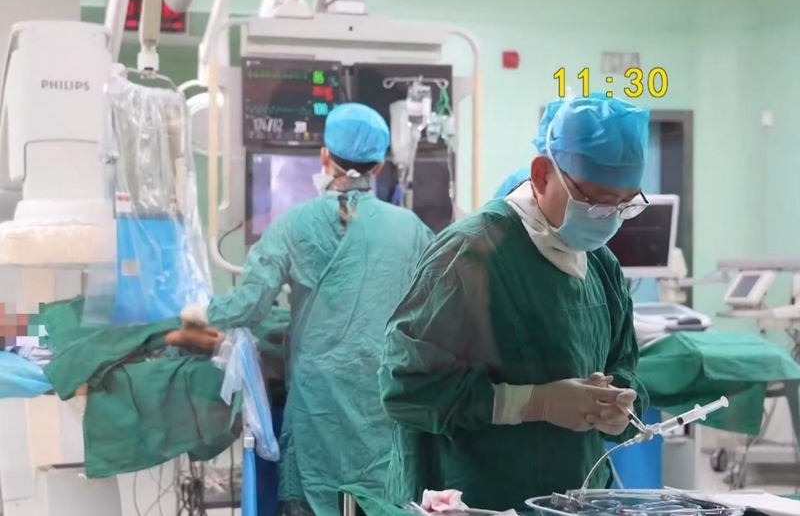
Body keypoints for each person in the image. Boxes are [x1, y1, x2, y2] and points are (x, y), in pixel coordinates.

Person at [378, 93, 651, 511]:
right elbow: (406, 388)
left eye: (625, 204)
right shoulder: (470, 254)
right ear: (542, 175)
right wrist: (533, 403)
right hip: (476, 500)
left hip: (576, 499)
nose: (610, 218)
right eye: (597, 202)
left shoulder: (601, 265)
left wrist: (619, 408)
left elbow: (625, 365)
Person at [181, 103, 435, 516]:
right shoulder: (411, 230)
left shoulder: (292, 225)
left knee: (313, 495)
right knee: (381, 499)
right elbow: (433, 314)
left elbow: (248, 307)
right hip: (381, 399)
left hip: (317, 402)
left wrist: (201, 311)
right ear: (379, 165)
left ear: (324, 156)